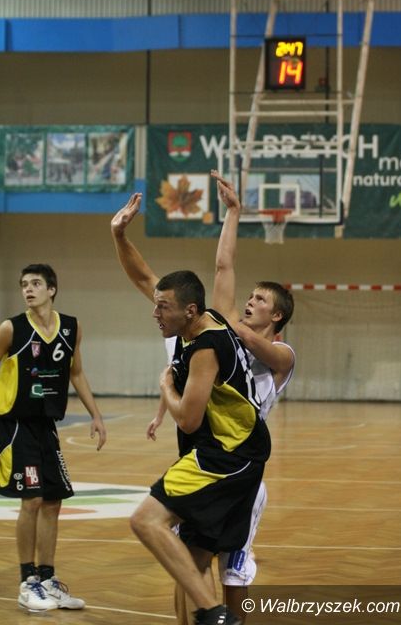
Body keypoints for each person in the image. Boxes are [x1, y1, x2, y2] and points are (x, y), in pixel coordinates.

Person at [111, 199, 271, 625]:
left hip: (225, 458)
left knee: (146, 521)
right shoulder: (200, 319)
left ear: (189, 310)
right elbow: (144, 276)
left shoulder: (204, 348)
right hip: (237, 457)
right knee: (192, 561)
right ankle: (210, 614)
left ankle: (217, 614)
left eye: (162, 307)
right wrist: (119, 235)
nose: (154, 312)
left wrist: (165, 388)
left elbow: (188, 419)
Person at [149, 171, 295, 623]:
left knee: (234, 571)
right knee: (190, 564)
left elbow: (249, 339)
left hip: (244, 466)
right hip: (213, 455)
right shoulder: (223, 332)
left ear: (278, 315)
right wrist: (233, 213)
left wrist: (226, 323)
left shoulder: (281, 354)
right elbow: (223, 268)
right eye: (248, 297)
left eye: (260, 300)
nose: (249, 302)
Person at [0, 263, 107, 613]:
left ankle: (47, 580)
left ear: (52, 289)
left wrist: (96, 414)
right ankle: (27, 582)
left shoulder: (71, 327)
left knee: (53, 502)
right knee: (31, 500)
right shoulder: (11, 328)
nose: (28, 289)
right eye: (23, 284)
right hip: (15, 425)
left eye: (35, 283)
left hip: (47, 425)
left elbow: (77, 372)